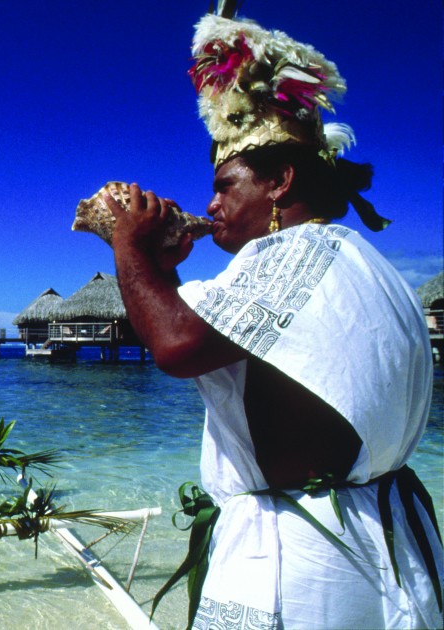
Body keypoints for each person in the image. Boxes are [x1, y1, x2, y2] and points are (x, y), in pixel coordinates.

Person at [106, 10, 442, 629]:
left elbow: (178, 347)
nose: (211, 204)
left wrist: (128, 244)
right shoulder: (359, 259)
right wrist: (166, 272)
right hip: (376, 539)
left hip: (305, 555)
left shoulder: (289, 251)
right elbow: (229, 344)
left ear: (281, 182)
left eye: (226, 185)